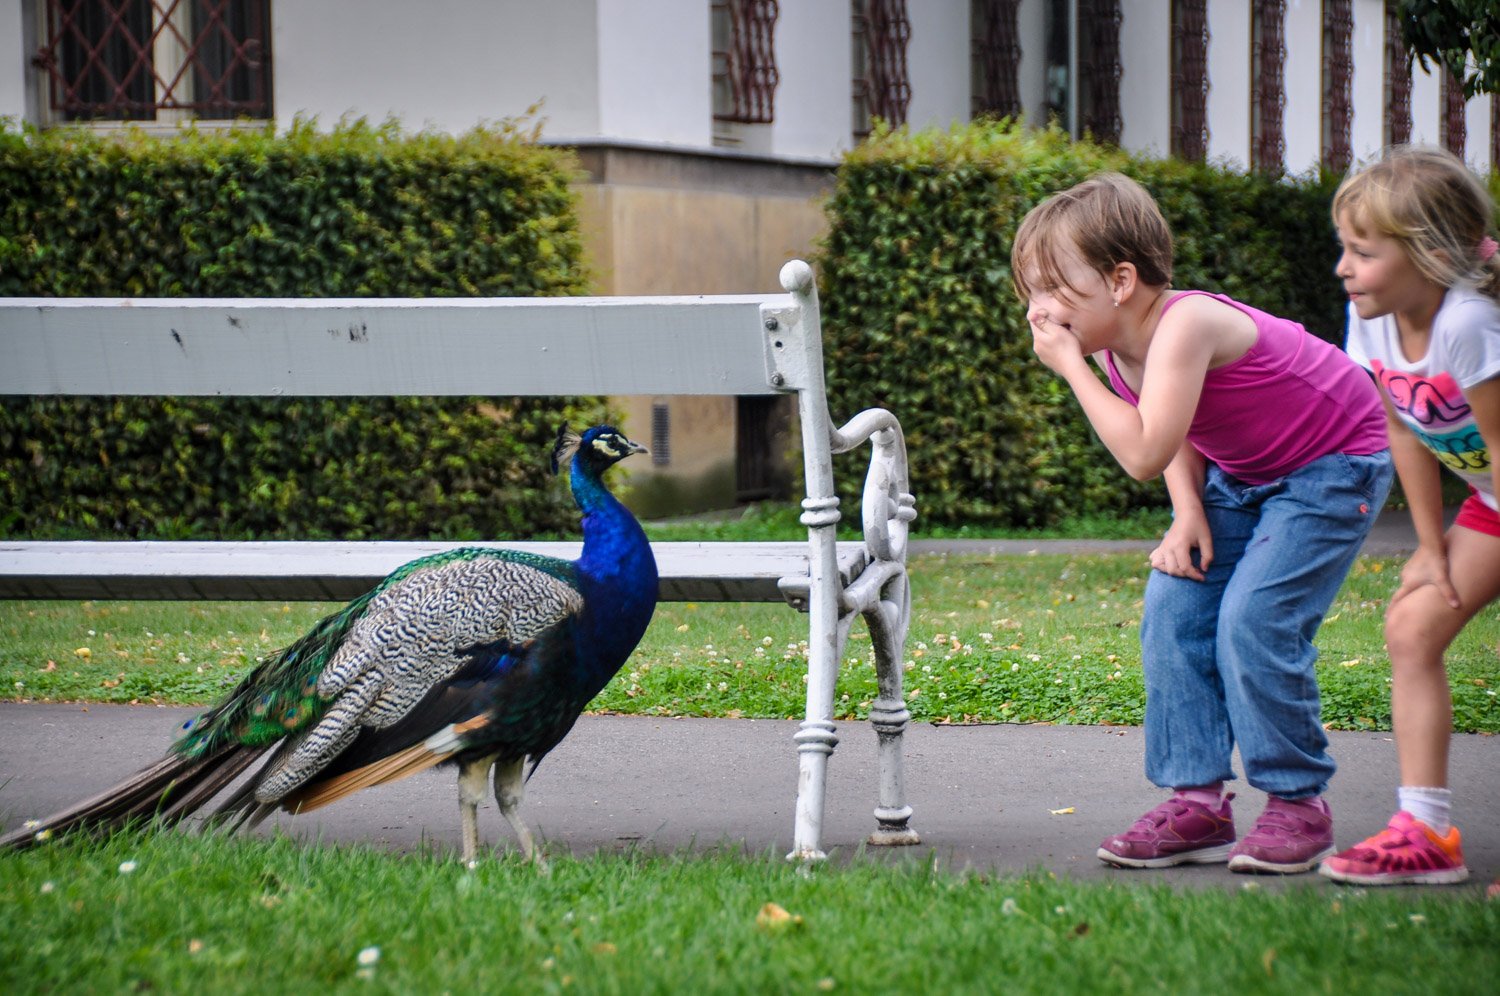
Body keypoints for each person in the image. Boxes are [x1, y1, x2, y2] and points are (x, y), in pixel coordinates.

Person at [1011, 172, 1393, 874]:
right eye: (1031, 290)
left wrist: (1070, 367)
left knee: (1254, 618)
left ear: (1121, 279)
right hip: (1244, 476)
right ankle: (1198, 802)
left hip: (1334, 464)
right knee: (1175, 603)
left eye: (1055, 288)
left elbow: (1144, 448)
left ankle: (1297, 806)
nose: (1040, 309)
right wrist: (1187, 511)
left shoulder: (1183, 323)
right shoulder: (1113, 342)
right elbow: (1179, 430)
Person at [1318, 146, 1500, 888]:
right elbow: (1406, 430)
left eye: (1362, 252)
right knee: (1411, 626)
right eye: (1344, 249)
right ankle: (1425, 831)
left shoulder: (1469, 324)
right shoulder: (1377, 321)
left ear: (1428, 254)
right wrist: (1430, 547)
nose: (1343, 268)